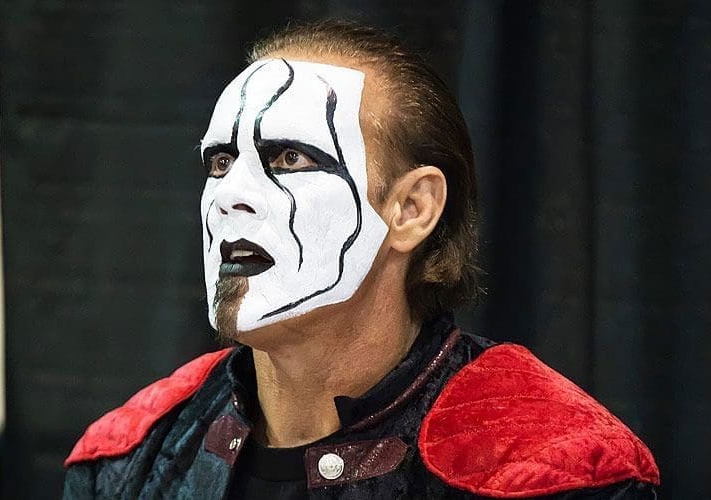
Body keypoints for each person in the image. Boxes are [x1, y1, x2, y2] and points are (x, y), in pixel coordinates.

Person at [62, 21, 659, 499]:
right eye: (220, 162)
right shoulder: (128, 458)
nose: (230, 195)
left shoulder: (551, 468)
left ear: (411, 209)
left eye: (290, 158)